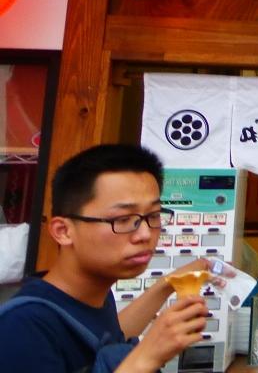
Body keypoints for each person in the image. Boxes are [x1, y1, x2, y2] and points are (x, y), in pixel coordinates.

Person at [0, 144, 229, 372]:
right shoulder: (21, 326)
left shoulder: (94, 294)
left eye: (153, 215)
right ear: (63, 231)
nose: (145, 234)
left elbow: (104, 340)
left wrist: (168, 284)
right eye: (122, 219)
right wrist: (147, 356)